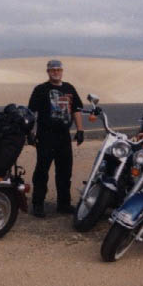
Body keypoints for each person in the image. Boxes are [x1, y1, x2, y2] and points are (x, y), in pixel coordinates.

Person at [27, 59, 84, 218]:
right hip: (46, 135)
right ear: (48, 72)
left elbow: (76, 110)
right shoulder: (40, 89)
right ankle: (38, 204)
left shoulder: (69, 88)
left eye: (58, 70)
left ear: (62, 71)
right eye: (53, 70)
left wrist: (80, 130)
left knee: (65, 171)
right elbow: (32, 112)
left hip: (64, 136)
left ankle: (64, 204)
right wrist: (30, 133)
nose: (56, 72)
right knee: (42, 170)